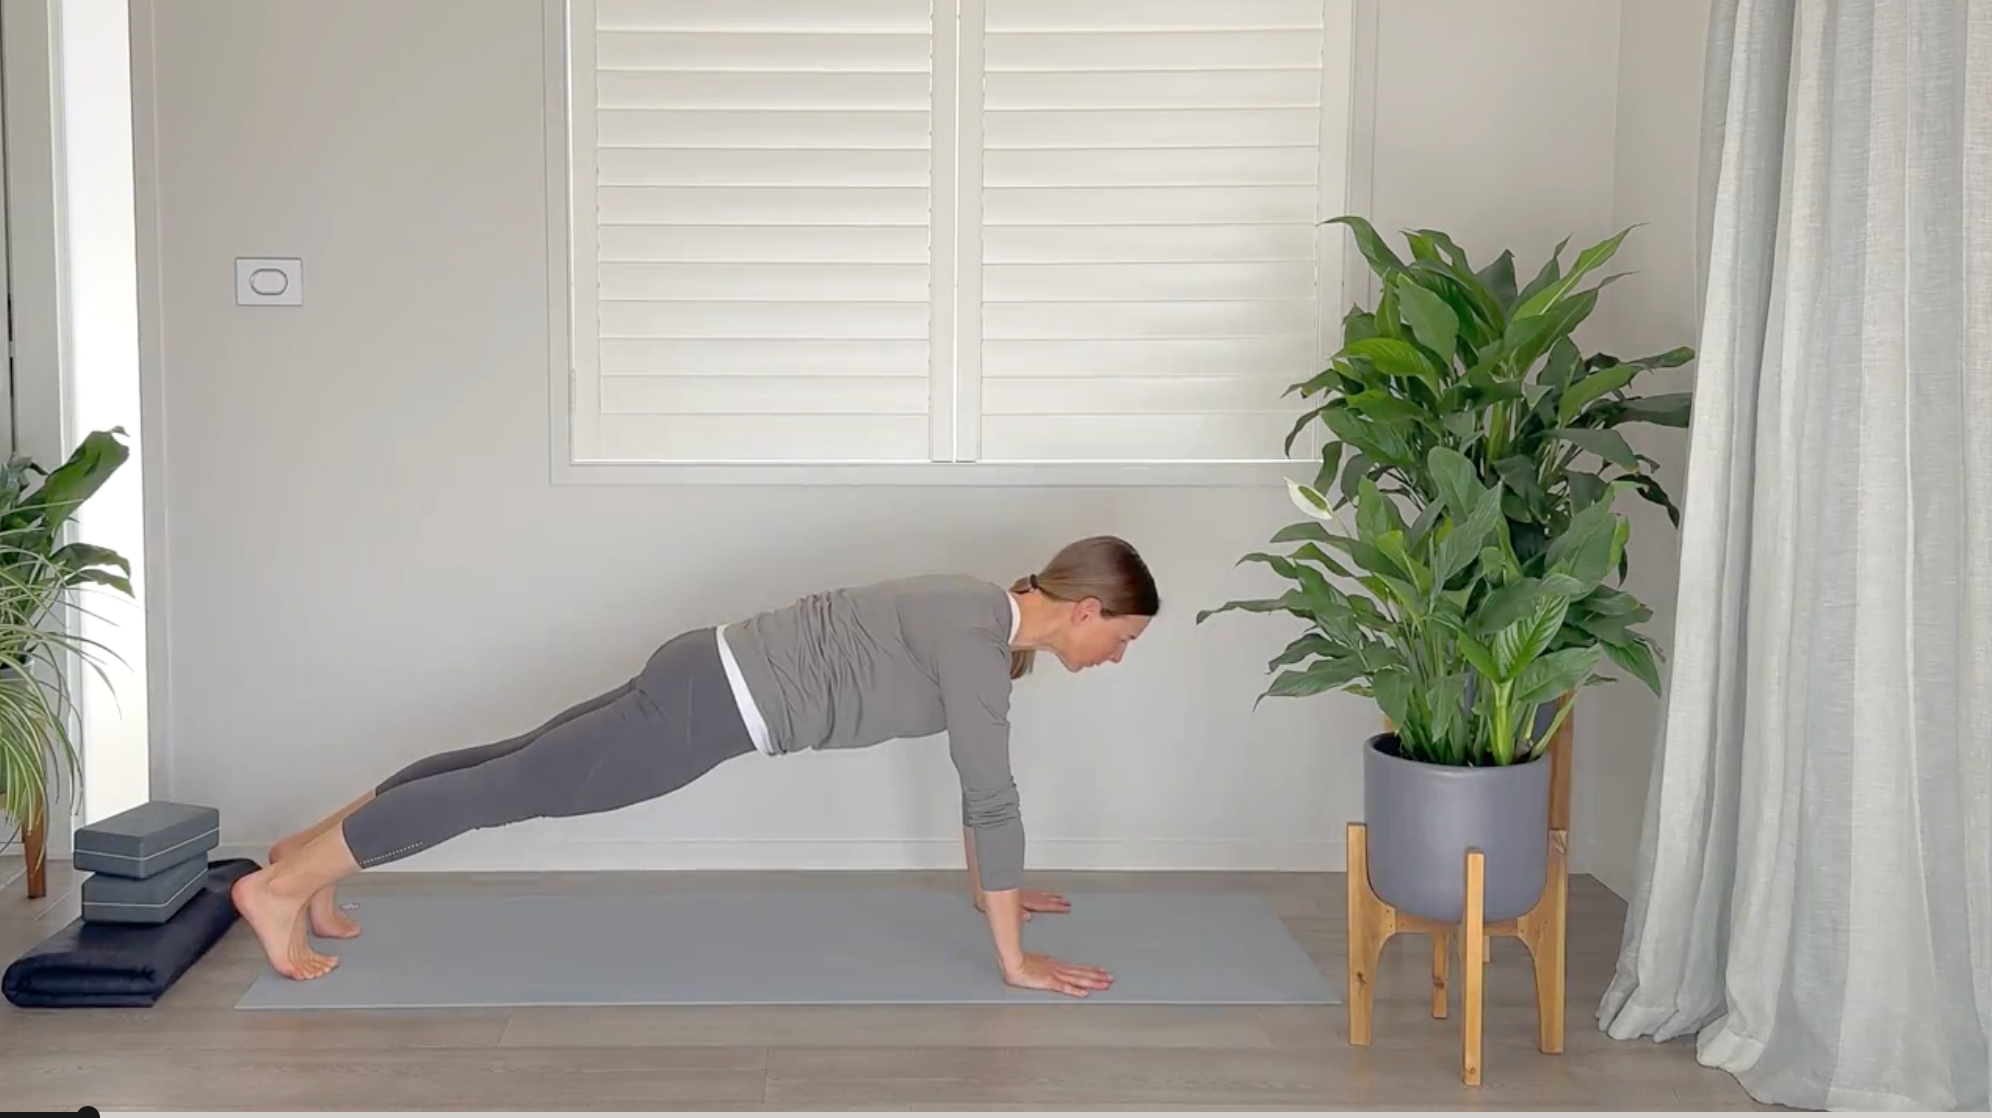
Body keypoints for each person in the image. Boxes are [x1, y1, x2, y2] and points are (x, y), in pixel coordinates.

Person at [231, 535, 1160, 998]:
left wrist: (995, 891)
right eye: (1123, 638)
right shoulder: (977, 639)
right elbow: (992, 797)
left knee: (507, 763)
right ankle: (280, 890)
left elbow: (978, 785)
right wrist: (1015, 960)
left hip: (703, 671)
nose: (1117, 658)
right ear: (1087, 611)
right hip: (713, 706)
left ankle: (305, 854)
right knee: (507, 787)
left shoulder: (979, 620)